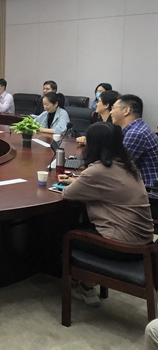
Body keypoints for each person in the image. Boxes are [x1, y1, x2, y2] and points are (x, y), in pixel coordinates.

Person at [58, 122, 153, 307]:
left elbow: (68, 194)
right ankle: (86, 285)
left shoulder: (98, 171)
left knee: (66, 235)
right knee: (84, 225)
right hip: (145, 242)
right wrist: (79, 180)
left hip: (123, 247)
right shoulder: (128, 166)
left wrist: (77, 181)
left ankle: (85, 285)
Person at [110, 94, 158, 187]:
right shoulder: (136, 128)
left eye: (114, 108)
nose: (111, 112)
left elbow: (117, 165)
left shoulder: (136, 133)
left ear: (126, 110)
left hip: (148, 189)